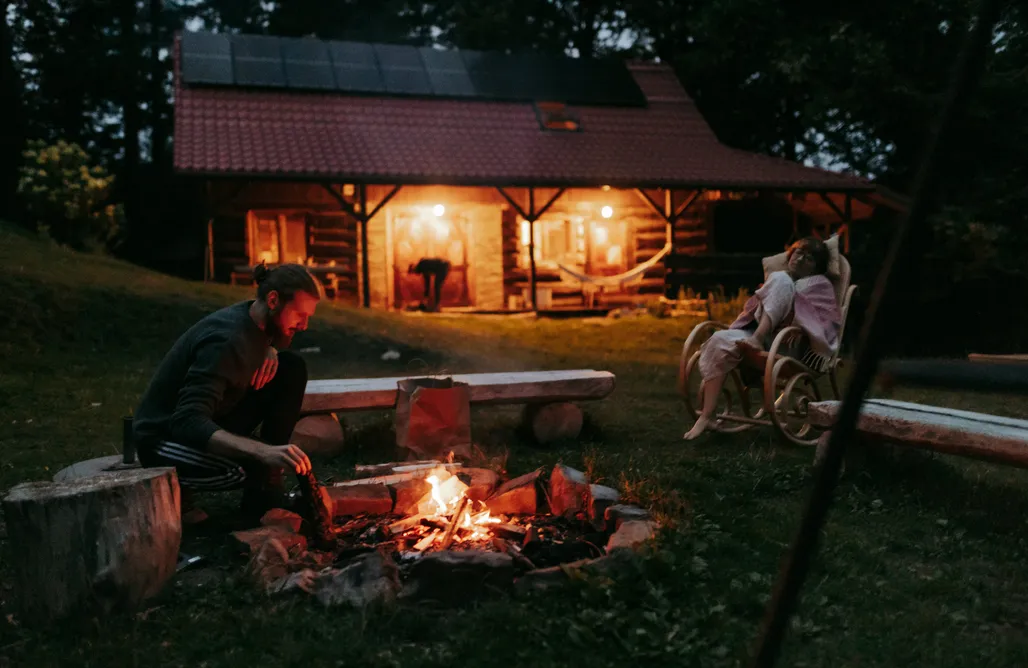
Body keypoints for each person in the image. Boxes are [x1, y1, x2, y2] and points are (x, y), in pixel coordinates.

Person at [132, 263, 321, 522]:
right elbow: (187, 421)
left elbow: (257, 337)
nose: (305, 325)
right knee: (253, 466)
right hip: (164, 438)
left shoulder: (257, 320)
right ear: (273, 300)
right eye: (299, 314)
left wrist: (269, 346)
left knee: (291, 368)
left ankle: (265, 491)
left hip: (213, 415)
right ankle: (239, 489)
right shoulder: (226, 341)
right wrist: (261, 451)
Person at [683, 237, 841, 441]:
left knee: (781, 280)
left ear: (816, 268)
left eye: (809, 258)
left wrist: (802, 325)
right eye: (799, 253)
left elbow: (825, 321)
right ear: (790, 255)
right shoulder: (778, 279)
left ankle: (757, 339)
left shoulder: (820, 285)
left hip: (790, 347)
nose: (801, 259)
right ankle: (706, 415)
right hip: (759, 335)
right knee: (720, 339)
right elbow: (753, 312)